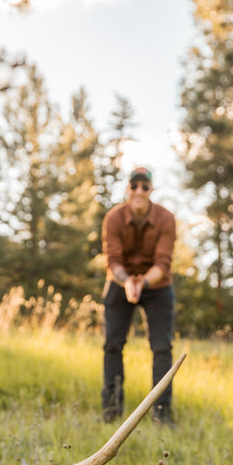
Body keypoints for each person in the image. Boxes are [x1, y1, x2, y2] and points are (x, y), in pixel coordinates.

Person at [101, 166, 176, 425]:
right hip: (120, 282)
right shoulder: (113, 218)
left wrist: (142, 282)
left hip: (156, 285)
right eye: (134, 186)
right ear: (128, 189)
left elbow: (163, 263)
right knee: (112, 344)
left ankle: (161, 414)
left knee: (162, 347)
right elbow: (113, 261)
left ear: (151, 189)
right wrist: (128, 283)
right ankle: (111, 412)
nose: (139, 191)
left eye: (145, 186)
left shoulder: (166, 219)